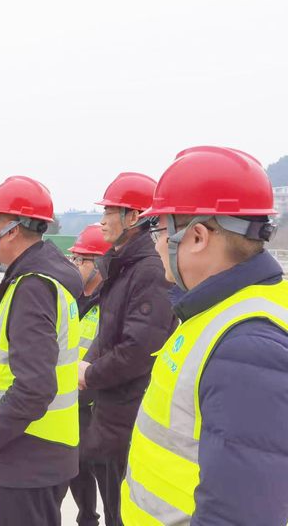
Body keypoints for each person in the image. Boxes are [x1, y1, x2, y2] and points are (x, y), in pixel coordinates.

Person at [121, 146, 288, 525]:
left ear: (197, 236)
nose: (156, 244)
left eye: (160, 230)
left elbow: (241, 515)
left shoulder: (247, 347)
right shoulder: (221, 311)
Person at [0, 176, 83, 526]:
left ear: (12, 229)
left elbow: (35, 386)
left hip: (30, 452)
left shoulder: (33, 287)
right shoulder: (48, 279)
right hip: (43, 451)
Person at [79, 173, 177, 526]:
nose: (103, 220)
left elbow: (138, 349)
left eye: (110, 211)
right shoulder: (124, 266)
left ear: (134, 217)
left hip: (129, 416)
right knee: (111, 507)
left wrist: (90, 373)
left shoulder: (149, 271)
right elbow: (108, 333)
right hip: (111, 412)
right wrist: (88, 364)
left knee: (122, 511)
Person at [66, 224, 111, 526]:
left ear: (99, 264)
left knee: (107, 476)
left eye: (82, 259)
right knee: (76, 468)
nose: (75, 264)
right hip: (72, 403)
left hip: (99, 407)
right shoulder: (69, 300)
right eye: (75, 258)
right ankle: (86, 518)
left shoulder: (111, 304)